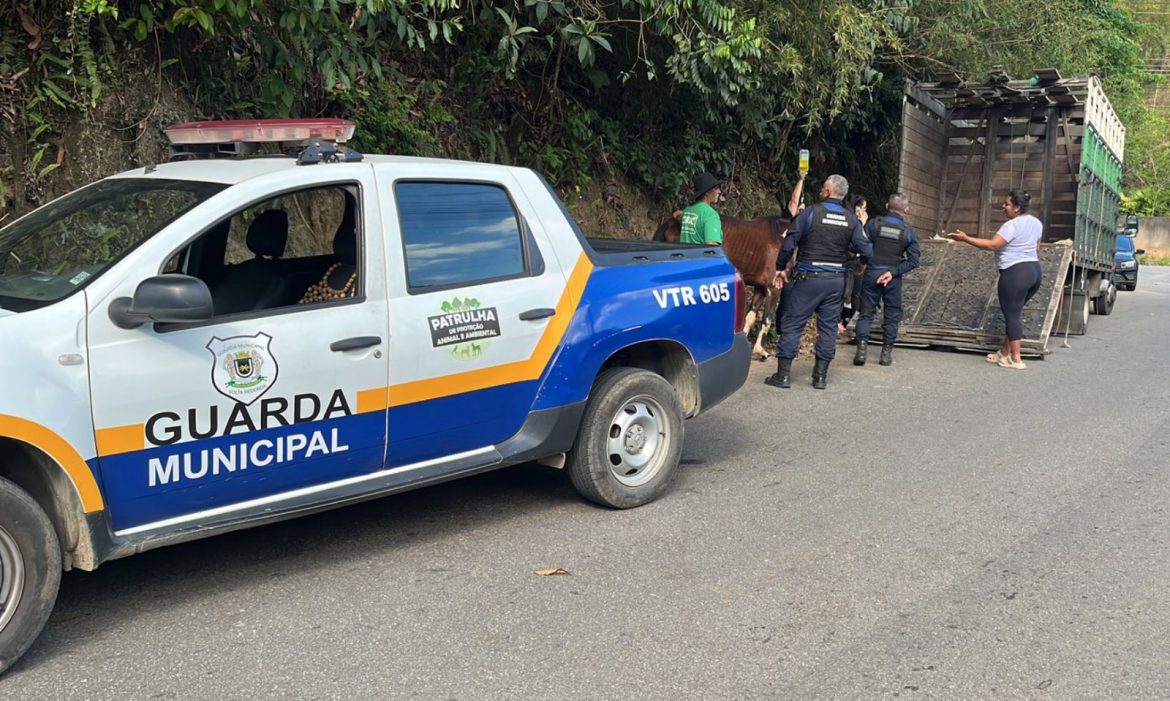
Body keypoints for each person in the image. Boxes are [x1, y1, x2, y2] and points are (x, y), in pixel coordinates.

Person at [765, 174, 873, 389]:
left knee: (793, 323)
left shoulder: (811, 213)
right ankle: (820, 377)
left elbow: (789, 243)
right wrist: (861, 264)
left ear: (828, 191)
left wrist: (780, 268)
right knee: (828, 328)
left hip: (808, 279)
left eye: (823, 187)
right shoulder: (851, 220)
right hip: (835, 282)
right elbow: (866, 249)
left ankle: (783, 376)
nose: (821, 190)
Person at [947, 191, 1042, 370]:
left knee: (1012, 316)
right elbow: (1036, 246)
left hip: (1016, 273)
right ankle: (1004, 353)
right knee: (1014, 314)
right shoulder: (1036, 222)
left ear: (1017, 208)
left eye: (1007, 204)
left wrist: (965, 238)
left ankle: (1016, 359)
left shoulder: (1011, 225)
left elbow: (993, 245)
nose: (1003, 207)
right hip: (1034, 271)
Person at [853, 192, 920, 367]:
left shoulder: (873, 224)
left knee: (866, 313)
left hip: (872, 273)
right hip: (893, 277)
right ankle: (886, 354)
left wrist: (864, 263)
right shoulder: (908, 232)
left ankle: (861, 350)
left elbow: (861, 246)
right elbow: (914, 260)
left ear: (886, 206)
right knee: (892, 315)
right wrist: (893, 272)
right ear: (906, 210)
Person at [839, 192, 868, 333]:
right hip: (848, 261)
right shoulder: (852, 221)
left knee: (856, 294)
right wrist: (861, 223)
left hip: (857, 261)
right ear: (857, 208)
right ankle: (839, 321)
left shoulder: (858, 221)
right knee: (845, 292)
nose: (865, 211)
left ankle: (853, 321)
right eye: (864, 208)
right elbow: (860, 242)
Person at [679, 172, 724, 246]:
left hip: (683, 253)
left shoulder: (687, 211)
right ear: (707, 192)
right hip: (700, 253)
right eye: (716, 189)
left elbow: (678, 217)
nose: (719, 191)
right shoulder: (710, 215)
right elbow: (711, 245)